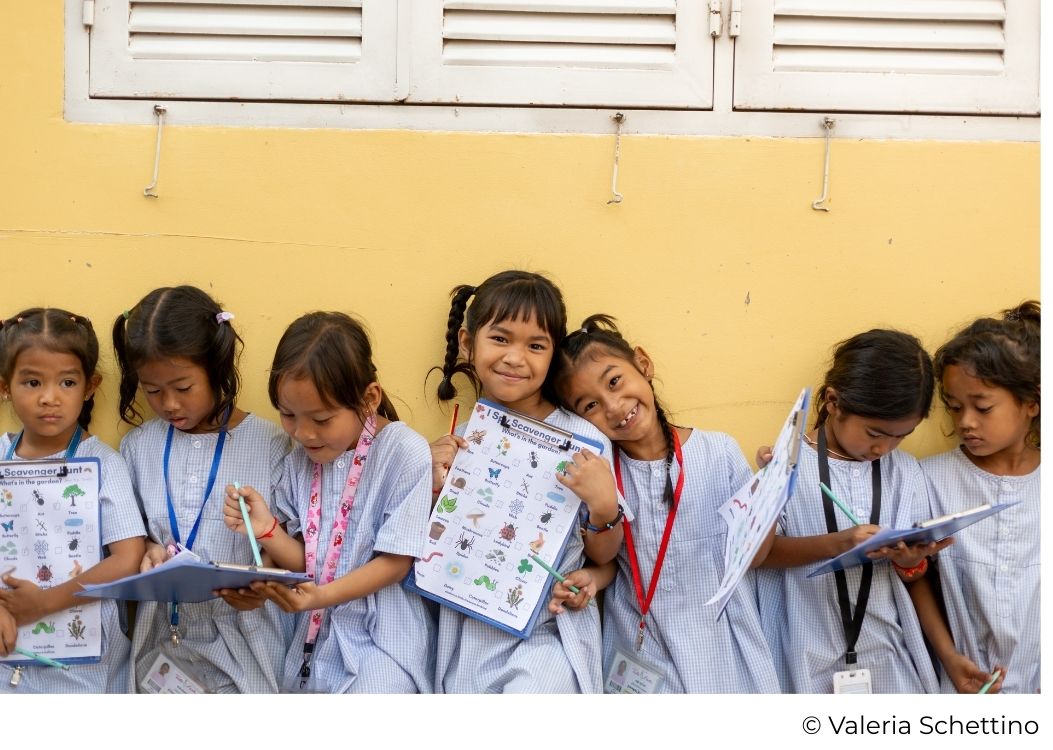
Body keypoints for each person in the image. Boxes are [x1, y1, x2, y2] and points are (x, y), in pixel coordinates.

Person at [547, 315, 780, 693]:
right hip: (643, 649)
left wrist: (769, 495)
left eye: (615, 381)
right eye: (590, 405)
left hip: (723, 643)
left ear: (643, 363)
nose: (614, 406)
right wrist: (591, 577)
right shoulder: (602, 473)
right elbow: (611, 561)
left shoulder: (718, 452)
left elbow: (754, 556)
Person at [223, 312, 435, 693]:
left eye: (321, 419)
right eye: (288, 415)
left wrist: (322, 596)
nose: (303, 433)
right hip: (314, 639)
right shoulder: (297, 462)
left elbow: (396, 561)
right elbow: (307, 558)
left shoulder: (405, 453)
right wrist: (267, 531)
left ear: (369, 399)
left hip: (382, 639)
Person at [428, 270, 617, 693]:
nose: (516, 357)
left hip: (549, 635)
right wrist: (431, 486)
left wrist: (604, 506)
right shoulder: (460, 437)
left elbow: (605, 559)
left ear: (553, 355)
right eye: (500, 338)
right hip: (463, 634)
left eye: (535, 346)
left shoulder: (584, 441)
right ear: (466, 342)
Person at [113, 286, 291, 693]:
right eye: (153, 391)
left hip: (245, 639)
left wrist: (263, 582)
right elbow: (132, 540)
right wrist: (149, 553)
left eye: (183, 387)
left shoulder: (271, 444)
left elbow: (292, 541)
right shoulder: (138, 447)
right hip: (159, 646)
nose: (170, 404)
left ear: (217, 368)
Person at [754, 329, 947, 693]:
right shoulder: (787, 466)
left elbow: (914, 576)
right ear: (834, 402)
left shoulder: (904, 472)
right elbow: (759, 556)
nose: (883, 447)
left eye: (900, 436)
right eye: (875, 432)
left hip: (889, 656)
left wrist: (911, 561)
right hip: (805, 656)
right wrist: (839, 543)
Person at [0, 308, 145, 692]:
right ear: (4, 387)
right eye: (32, 382)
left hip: (88, 673)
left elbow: (128, 557)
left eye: (66, 382)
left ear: (90, 386)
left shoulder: (104, 464)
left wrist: (47, 602)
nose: (50, 398)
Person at [910, 301, 1039, 694]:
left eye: (982, 407)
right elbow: (917, 579)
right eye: (953, 407)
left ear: (1032, 403)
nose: (965, 421)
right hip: (956, 693)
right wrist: (949, 656)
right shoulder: (928, 479)